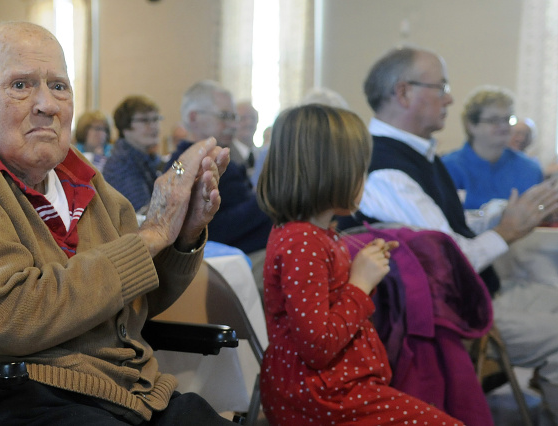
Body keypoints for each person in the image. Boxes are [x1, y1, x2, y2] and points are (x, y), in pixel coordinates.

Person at [0, 21, 238, 425]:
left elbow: (132, 299)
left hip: (121, 393)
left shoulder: (81, 179)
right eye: (21, 85)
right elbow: (5, 317)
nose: (47, 104)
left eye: (59, 86)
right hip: (2, 397)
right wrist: (151, 234)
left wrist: (182, 235)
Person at [349, 46, 558, 425]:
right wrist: (506, 230)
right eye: (441, 86)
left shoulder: (413, 154)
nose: (450, 97)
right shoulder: (386, 171)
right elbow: (447, 261)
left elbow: (445, 229)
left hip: (467, 296)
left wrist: (514, 213)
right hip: (448, 317)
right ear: (403, 93)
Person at [256, 103, 458, 425]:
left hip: (336, 387)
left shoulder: (315, 235)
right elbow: (317, 346)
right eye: (360, 169)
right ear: (332, 172)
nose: (364, 179)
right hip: (321, 395)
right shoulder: (303, 243)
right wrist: (360, 283)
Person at [169, 81, 272, 256]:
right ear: (194, 117)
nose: (233, 125)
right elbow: (209, 231)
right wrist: (269, 198)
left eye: (234, 118)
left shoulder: (217, 158)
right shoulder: (188, 165)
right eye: (224, 116)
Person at [442, 87, 542, 210]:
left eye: (508, 119)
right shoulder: (448, 168)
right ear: (471, 125)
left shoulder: (529, 169)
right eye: (494, 120)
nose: (504, 126)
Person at [102, 95, 165, 210]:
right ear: (125, 127)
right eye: (145, 120)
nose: (153, 126)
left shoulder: (148, 159)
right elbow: (143, 216)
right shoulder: (121, 164)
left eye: (156, 119)